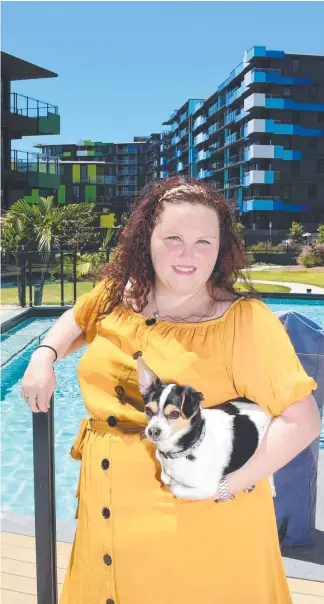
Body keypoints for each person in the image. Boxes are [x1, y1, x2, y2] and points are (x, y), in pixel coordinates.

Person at [21, 176, 321, 604]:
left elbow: (302, 420)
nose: (188, 254)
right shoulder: (117, 296)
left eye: (204, 241)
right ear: (148, 240)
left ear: (221, 249)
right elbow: (78, 317)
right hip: (108, 510)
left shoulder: (244, 322)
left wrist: (226, 486)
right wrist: (43, 355)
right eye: (174, 237)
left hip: (198, 524)